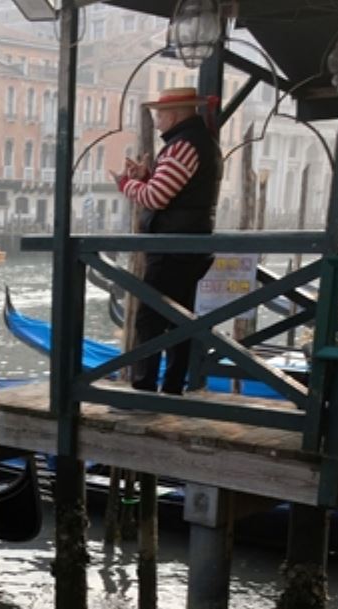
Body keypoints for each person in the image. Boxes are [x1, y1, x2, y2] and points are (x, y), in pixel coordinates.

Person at [113, 86, 223, 395]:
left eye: (160, 114)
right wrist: (148, 177)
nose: (157, 120)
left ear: (174, 115)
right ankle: (173, 386)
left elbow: (156, 198)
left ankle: (146, 388)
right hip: (189, 245)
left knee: (150, 319)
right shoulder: (200, 143)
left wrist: (127, 183)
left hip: (173, 249)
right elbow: (177, 192)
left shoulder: (182, 146)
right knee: (180, 318)